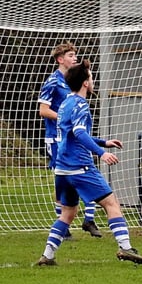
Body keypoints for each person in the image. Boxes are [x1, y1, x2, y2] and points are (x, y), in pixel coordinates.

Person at [37, 59, 142, 266]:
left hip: (62, 168)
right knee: (111, 203)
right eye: (91, 76)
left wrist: (103, 141)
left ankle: (48, 255)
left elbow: (71, 133)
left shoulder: (64, 104)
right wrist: (101, 152)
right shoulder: (81, 104)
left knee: (67, 213)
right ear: (85, 83)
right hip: (80, 166)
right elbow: (79, 133)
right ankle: (125, 247)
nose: (93, 79)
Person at [38, 42, 101, 238]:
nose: (75, 58)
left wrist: (88, 73)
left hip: (75, 135)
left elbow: (90, 90)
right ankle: (63, 227)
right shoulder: (52, 81)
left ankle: (89, 218)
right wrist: (66, 118)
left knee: (86, 168)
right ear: (60, 59)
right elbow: (43, 110)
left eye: (75, 55)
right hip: (57, 138)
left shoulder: (74, 79)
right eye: (71, 55)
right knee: (64, 180)